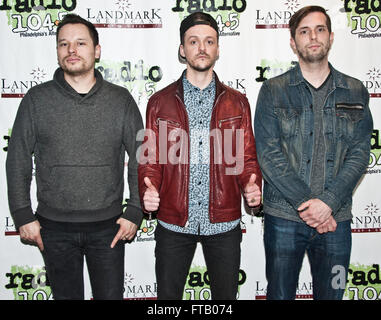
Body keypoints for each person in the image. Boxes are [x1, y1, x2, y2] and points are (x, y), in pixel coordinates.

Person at [6, 14, 144, 300]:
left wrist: (135, 210)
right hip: (52, 230)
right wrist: (22, 214)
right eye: (64, 44)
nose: (72, 50)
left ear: (96, 50)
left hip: (109, 229)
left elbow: (144, 156)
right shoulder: (36, 100)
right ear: (57, 51)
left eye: (81, 43)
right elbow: (17, 157)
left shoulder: (121, 100)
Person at [138, 12, 262, 300]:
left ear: (218, 48)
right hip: (173, 220)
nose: (201, 47)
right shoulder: (159, 102)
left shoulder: (237, 103)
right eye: (193, 41)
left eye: (209, 41)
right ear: (182, 50)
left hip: (223, 221)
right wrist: (148, 185)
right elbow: (150, 158)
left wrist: (252, 186)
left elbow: (245, 158)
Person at [254, 6, 373, 300]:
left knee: (333, 294)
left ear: (331, 37)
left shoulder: (355, 91)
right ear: (293, 42)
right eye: (304, 32)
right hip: (283, 219)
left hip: (337, 222)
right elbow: (268, 155)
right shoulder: (273, 90)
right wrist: (310, 205)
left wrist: (328, 203)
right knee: (279, 296)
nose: (313, 37)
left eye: (320, 29)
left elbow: (360, 153)